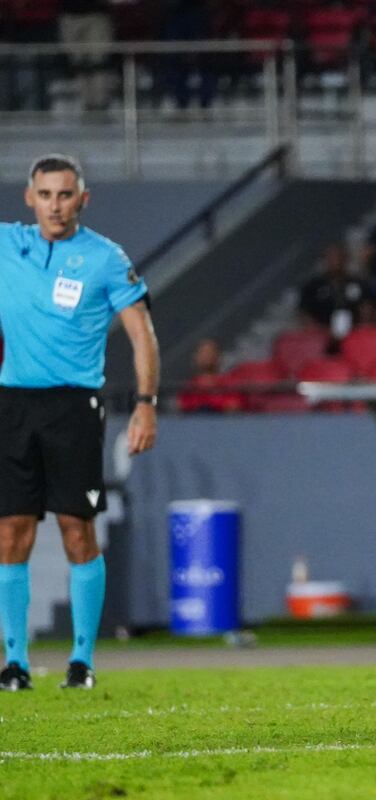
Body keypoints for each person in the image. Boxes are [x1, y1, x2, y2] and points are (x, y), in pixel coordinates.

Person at [0, 154, 159, 691]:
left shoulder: (106, 258)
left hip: (75, 406)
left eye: (65, 195)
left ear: (83, 199)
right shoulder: (8, 245)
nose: (55, 205)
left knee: (76, 528)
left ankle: (82, 660)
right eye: (45, 195)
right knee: (11, 531)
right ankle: (15, 663)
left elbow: (142, 334)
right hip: (13, 405)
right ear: (30, 198)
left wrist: (146, 403)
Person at [299, 242, 375, 342]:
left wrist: (359, 327)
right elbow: (304, 314)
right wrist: (321, 330)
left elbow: (367, 310)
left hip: (355, 334)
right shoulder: (313, 286)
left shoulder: (358, 283)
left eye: (338, 257)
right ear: (325, 260)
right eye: (330, 258)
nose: (334, 262)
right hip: (322, 335)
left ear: (345, 259)